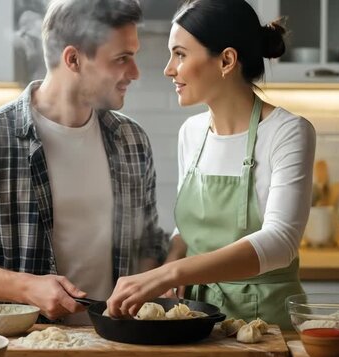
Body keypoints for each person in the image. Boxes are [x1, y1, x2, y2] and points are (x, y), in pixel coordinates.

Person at [0, 0, 168, 325]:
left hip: (114, 344)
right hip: (23, 345)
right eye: (122, 59)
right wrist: (27, 288)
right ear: (73, 59)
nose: (134, 73)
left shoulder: (132, 141)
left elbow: (147, 244)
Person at [106, 0, 316, 329]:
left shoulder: (287, 131)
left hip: (267, 323)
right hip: (197, 317)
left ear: (226, 60)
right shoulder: (191, 132)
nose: (168, 68)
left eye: (180, 54)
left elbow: (281, 242)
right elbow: (188, 231)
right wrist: (167, 273)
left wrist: (169, 273)